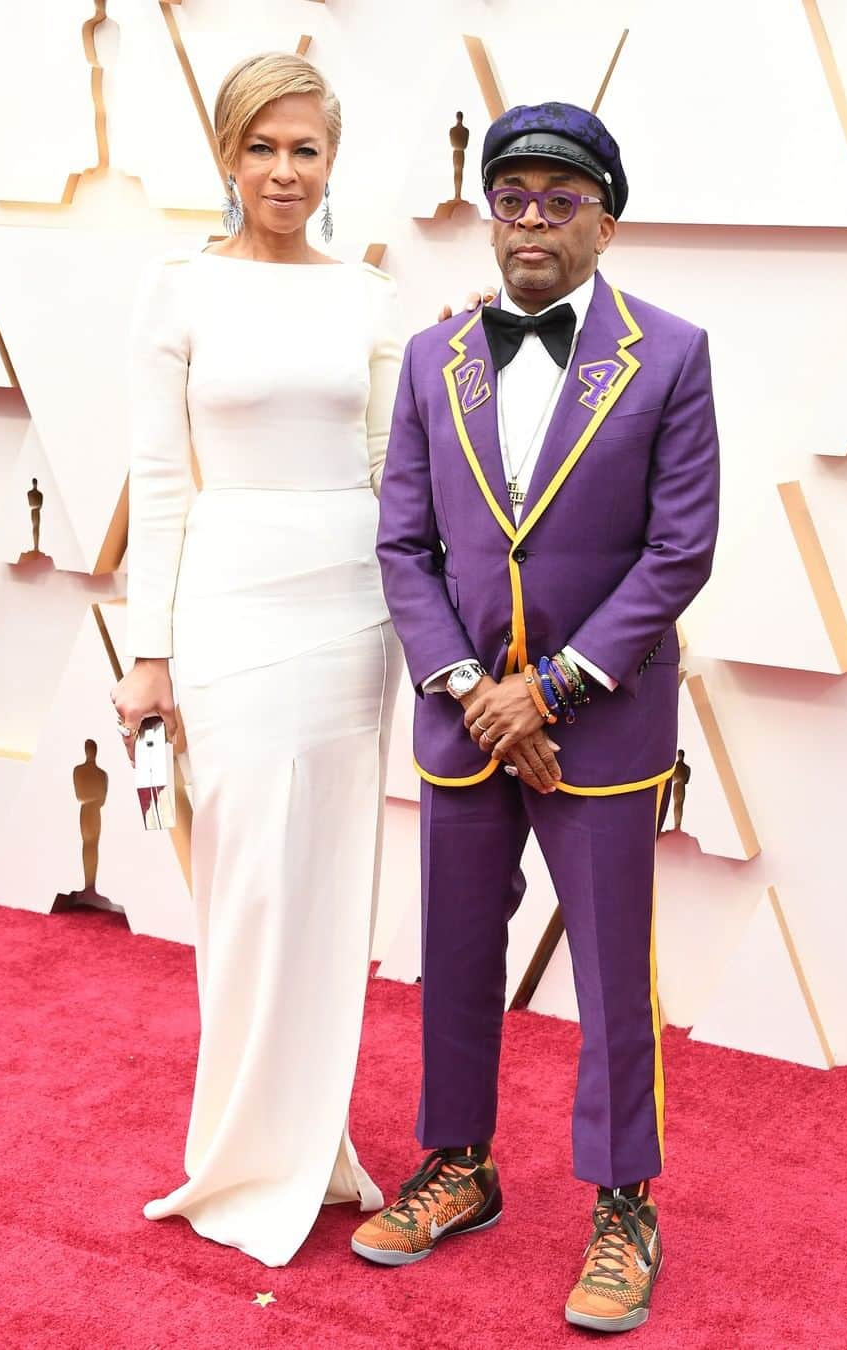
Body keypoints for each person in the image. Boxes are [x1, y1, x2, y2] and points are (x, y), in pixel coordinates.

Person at [357, 102, 720, 1334]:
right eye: (512, 197)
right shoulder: (429, 358)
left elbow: (679, 554)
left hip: (600, 727)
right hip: (465, 721)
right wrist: (470, 689)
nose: (531, 221)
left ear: (604, 221)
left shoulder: (670, 354)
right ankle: (460, 1166)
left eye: (561, 201)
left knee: (615, 972)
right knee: (453, 951)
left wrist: (551, 689)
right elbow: (403, 546)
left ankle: (626, 1203)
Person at [110, 52, 405, 1268]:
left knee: (330, 888)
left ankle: (310, 1141)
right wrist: (149, 653)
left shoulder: (371, 298)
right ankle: (239, 1153)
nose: (285, 171)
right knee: (244, 886)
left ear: (332, 162)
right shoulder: (176, 291)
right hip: (228, 608)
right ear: (229, 157)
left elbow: (400, 485)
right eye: (263, 148)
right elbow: (163, 486)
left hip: (352, 613)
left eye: (306, 150)